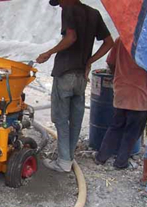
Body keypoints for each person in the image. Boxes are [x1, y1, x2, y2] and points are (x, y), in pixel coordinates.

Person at [37, 0, 113, 172]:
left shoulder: (69, 9)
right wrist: (89, 61)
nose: (60, 6)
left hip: (65, 73)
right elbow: (109, 42)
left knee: (61, 119)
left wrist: (49, 52)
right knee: (76, 120)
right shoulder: (94, 13)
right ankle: (68, 157)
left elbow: (71, 37)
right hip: (80, 75)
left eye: (59, 3)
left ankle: (63, 162)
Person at [94, 38, 147, 169]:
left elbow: (110, 63)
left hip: (121, 91)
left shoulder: (121, 38)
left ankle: (101, 157)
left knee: (115, 126)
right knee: (132, 132)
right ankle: (121, 163)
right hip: (141, 95)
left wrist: (120, 75)